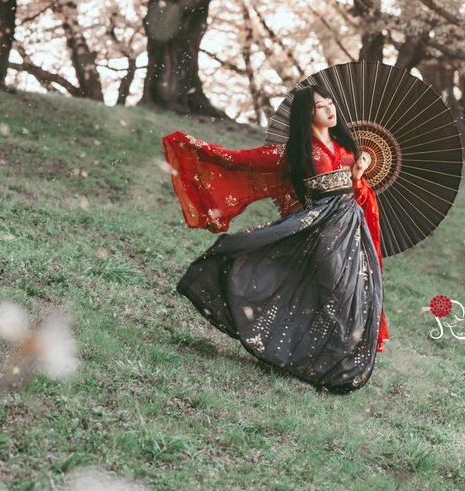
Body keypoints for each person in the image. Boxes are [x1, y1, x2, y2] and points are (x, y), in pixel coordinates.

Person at [162, 85, 389, 392]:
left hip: (351, 227)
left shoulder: (347, 148)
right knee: (330, 290)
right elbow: (241, 160)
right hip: (318, 226)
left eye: (331, 103)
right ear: (307, 114)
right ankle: (307, 358)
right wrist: (195, 147)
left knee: (353, 294)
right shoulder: (294, 151)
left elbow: (356, 194)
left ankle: (334, 367)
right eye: (322, 106)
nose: (330, 109)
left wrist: (358, 176)